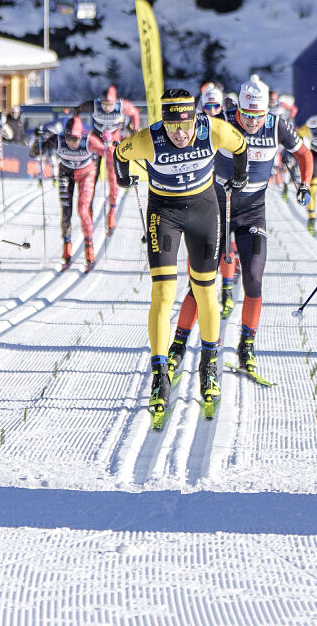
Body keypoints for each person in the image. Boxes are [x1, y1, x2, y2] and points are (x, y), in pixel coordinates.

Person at [114, 90, 248, 417]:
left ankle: (209, 366)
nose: (180, 134)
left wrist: (240, 176)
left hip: (204, 211)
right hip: (165, 213)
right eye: (173, 127)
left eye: (185, 126)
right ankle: (159, 374)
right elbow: (119, 153)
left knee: (205, 290)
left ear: (194, 119)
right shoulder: (148, 139)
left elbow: (240, 145)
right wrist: (122, 178)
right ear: (164, 123)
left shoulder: (212, 129)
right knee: (163, 292)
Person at [167, 76, 313, 376]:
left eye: (258, 116)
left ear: (266, 111)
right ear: (238, 109)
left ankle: (247, 346)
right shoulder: (220, 120)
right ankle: (178, 346)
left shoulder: (277, 125)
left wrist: (305, 183)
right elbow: (183, 142)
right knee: (201, 282)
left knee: (254, 281)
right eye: (246, 115)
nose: (252, 122)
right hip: (215, 210)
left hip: (253, 213)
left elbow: (304, 154)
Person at [30, 116, 107, 270]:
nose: (71, 142)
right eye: (68, 137)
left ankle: (89, 249)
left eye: (75, 138)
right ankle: (66, 249)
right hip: (66, 173)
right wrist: (37, 139)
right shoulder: (58, 139)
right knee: (66, 211)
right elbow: (35, 153)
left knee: (83, 209)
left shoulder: (89, 141)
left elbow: (109, 153)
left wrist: (109, 144)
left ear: (81, 135)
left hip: (86, 173)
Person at [75, 85, 141, 234]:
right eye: (104, 103)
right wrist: (82, 131)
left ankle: (112, 212)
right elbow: (76, 112)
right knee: (92, 178)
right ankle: (89, 212)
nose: (107, 107)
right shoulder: (94, 105)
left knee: (113, 179)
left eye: (110, 104)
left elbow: (135, 113)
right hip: (96, 145)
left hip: (113, 145)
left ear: (115, 101)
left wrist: (134, 129)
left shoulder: (122, 105)